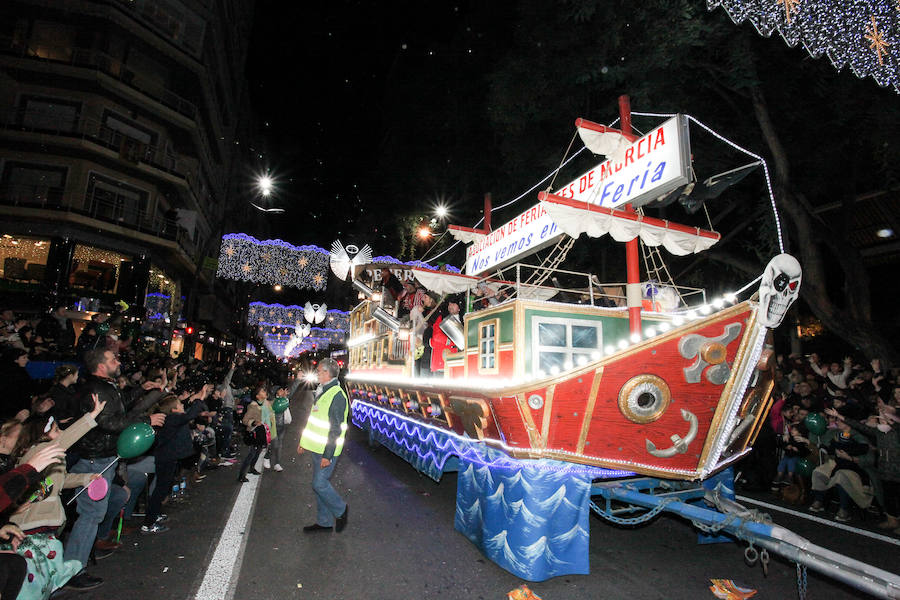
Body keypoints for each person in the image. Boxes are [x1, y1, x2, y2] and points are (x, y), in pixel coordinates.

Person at [64, 348, 165, 590]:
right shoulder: (96, 389)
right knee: (90, 515)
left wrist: (143, 389)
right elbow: (109, 422)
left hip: (105, 458)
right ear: (100, 365)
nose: (118, 361)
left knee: (117, 496)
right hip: (95, 460)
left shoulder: (106, 386)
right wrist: (145, 421)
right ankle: (72, 570)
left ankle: (94, 542)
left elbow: (121, 409)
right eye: (113, 359)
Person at [142, 391, 206, 534]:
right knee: (160, 490)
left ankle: (155, 514)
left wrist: (193, 400)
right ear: (174, 409)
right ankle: (148, 523)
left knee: (163, 488)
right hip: (166, 459)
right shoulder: (172, 419)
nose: (182, 405)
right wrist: (199, 401)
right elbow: (189, 415)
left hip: (168, 458)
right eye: (180, 404)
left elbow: (186, 412)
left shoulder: (172, 417)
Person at [297, 358, 348, 533]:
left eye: (319, 371)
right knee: (319, 485)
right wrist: (303, 442)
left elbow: (335, 428)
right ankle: (324, 522)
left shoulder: (337, 395)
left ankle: (341, 510)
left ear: (327, 373)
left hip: (327, 450)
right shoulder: (323, 390)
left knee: (319, 484)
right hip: (317, 447)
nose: (317, 373)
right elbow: (314, 421)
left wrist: (328, 455)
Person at [237, 384, 270, 483]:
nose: (265, 393)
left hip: (261, 432)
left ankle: (252, 468)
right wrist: (254, 422)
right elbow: (244, 420)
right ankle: (241, 475)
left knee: (258, 451)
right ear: (257, 396)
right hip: (254, 432)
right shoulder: (253, 406)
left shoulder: (265, 404)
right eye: (262, 392)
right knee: (252, 453)